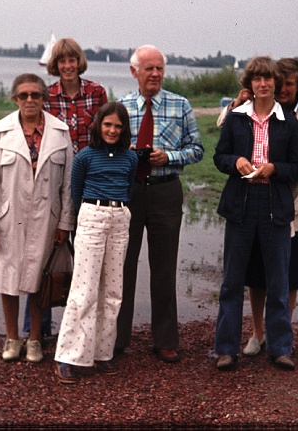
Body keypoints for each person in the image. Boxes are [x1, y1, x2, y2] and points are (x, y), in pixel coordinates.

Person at [227, 58, 298, 356]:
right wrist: (239, 101)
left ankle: (279, 334)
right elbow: (226, 128)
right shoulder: (259, 109)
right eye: (279, 82)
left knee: (288, 276)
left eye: (290, 84)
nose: (283, 89)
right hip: (260, 203)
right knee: (257, 274)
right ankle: (258, 333)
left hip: (294, 208)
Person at [0, 73, 75, 363]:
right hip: (9, 218)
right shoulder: (1, 131)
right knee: (8, 279)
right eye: (23, 95)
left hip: (47, 219)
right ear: (14, 99)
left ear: (44, 97)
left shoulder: (60, 132)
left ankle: (34, 340)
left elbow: (67, 184)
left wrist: (65, 223)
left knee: (38, 279)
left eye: (36, 95)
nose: (30, 100)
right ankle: (12, 338)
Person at [212, 56, 298, 371]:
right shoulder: (236, 118)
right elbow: (219, 156)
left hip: (274, 206)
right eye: (257, 79)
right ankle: (226, 349)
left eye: (268, 79)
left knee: (278, 280)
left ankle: (280, 348)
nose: (263, 84)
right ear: (249, 84)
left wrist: (275, 168)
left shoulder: (288, 121)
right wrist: (236, 161)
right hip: (241, 203)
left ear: (275, 83)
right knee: (232, 281)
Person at [114, 45, 204, 363]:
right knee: (121, 267)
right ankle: (117, 338)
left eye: (159, 69)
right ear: (133, 71)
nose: (154, 74)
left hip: (166, 191)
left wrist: (170, 156)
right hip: (129, 193)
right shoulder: (121, 106)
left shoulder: (180, 105)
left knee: (164, 268)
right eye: (148, 68)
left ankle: (165, 339)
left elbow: (197, 149)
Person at [23, 37, 108, 342]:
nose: (68, 66)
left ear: (79, 62)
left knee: (86, 254)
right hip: (54, 181)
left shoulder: (97, 93)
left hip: (89, 183)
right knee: (43, 254)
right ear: (54, 65)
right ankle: (35, 328)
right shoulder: (46, 96)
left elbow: (105, 136)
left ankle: (84, 330)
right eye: (62, 62)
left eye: (72, 60)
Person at [53, 102, 138, 384]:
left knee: (113, 290)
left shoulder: (130, 158)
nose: (112, 130)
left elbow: (128, 187)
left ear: (124, 129)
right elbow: (76, 192)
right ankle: (69, 356)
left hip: (119, 217)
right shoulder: (85, 157)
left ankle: (102, 352)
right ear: (99, 126)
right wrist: (86, 219)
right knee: (84, 289)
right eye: (108, 124)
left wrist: (117, 212)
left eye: (118, 126)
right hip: (92, 215)